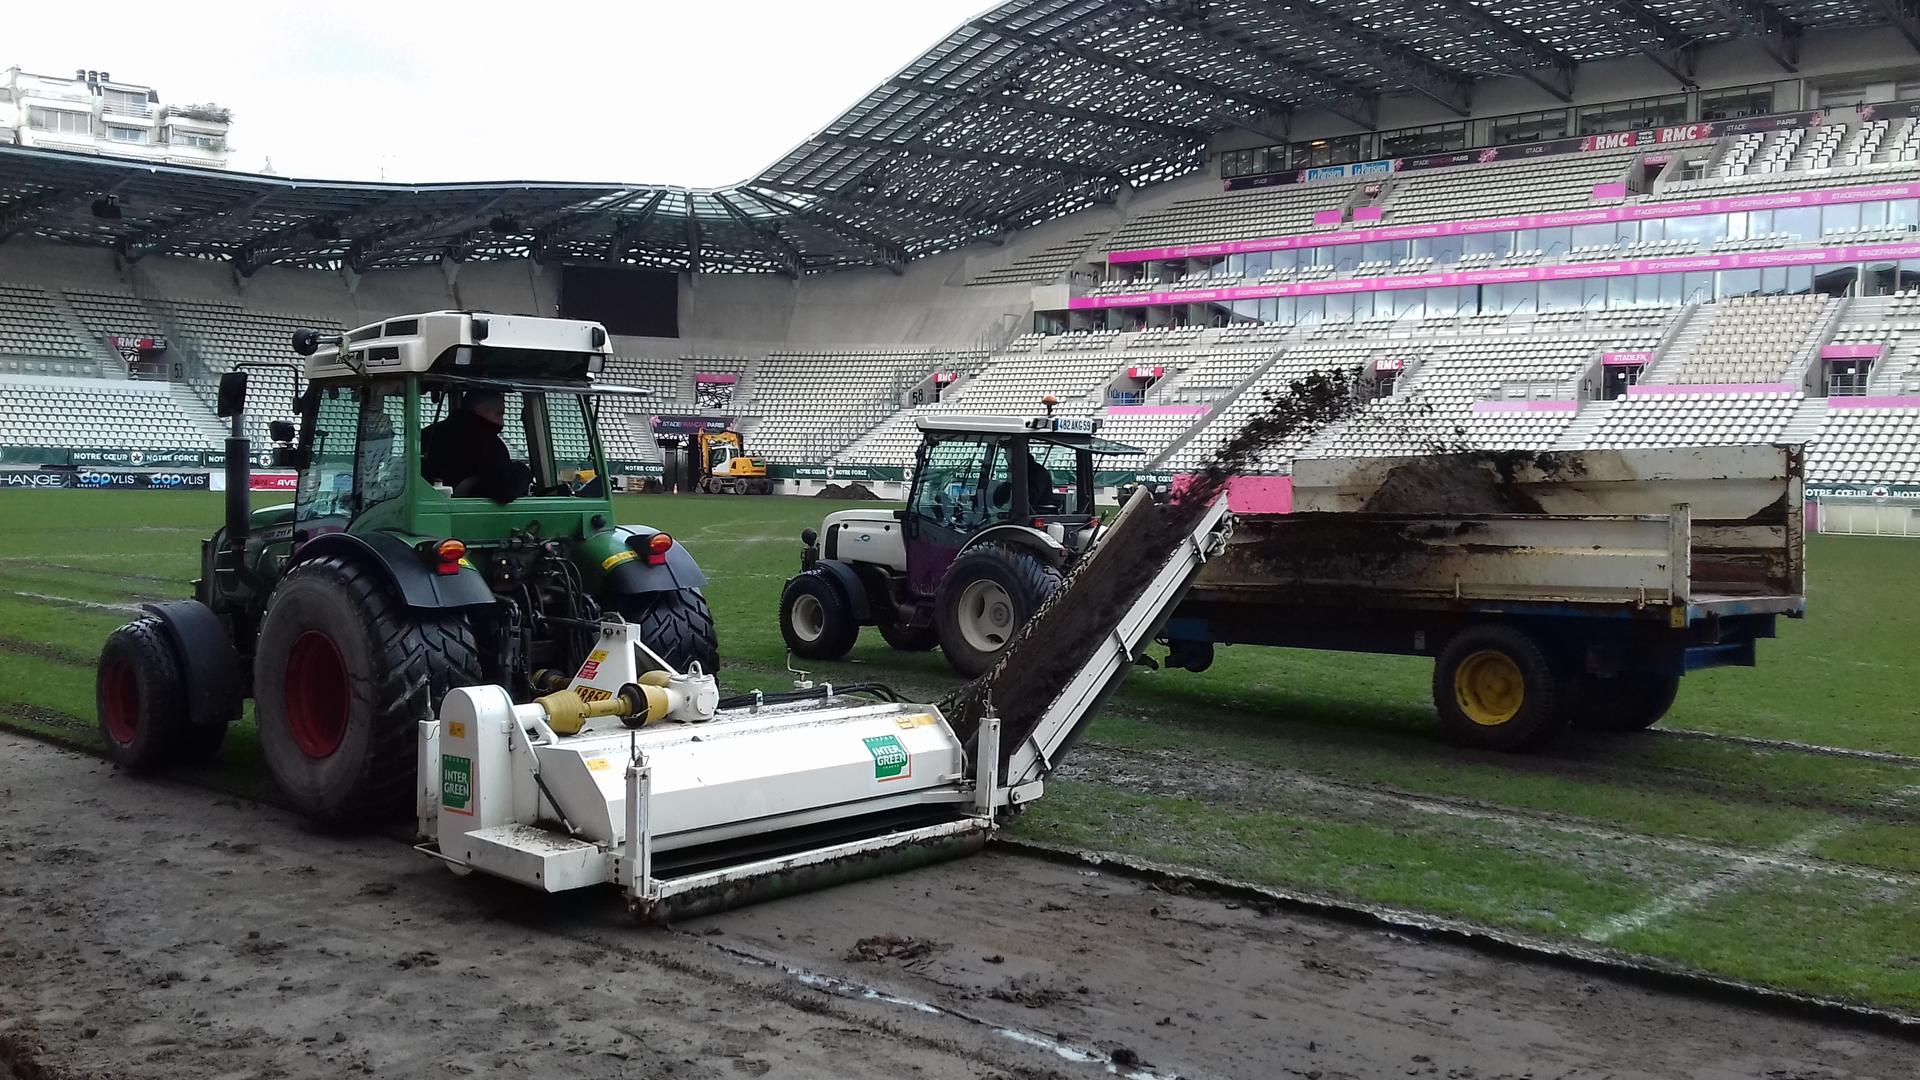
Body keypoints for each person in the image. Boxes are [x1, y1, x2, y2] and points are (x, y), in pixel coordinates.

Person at [421, 388, 527, 503]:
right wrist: (522, 471)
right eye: (499, 414)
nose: (502, 422)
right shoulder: (488, 443)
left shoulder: (426, 435)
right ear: (480, 410)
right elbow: (504, 490)